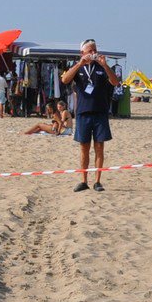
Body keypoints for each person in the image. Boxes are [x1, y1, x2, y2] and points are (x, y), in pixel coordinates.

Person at [60, 39, 119, 193]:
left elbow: (115, 82)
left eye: (95, 50)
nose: (93, 53)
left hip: (100, 112)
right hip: (83, 113)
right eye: (90, 51)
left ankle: (98, 181)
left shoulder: (101, 66)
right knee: (84, 148)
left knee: (99, 147)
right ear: (82, 53)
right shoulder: (77, 68)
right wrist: (80, 63)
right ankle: (83, 180)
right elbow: (65, 80)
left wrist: (105, 65)